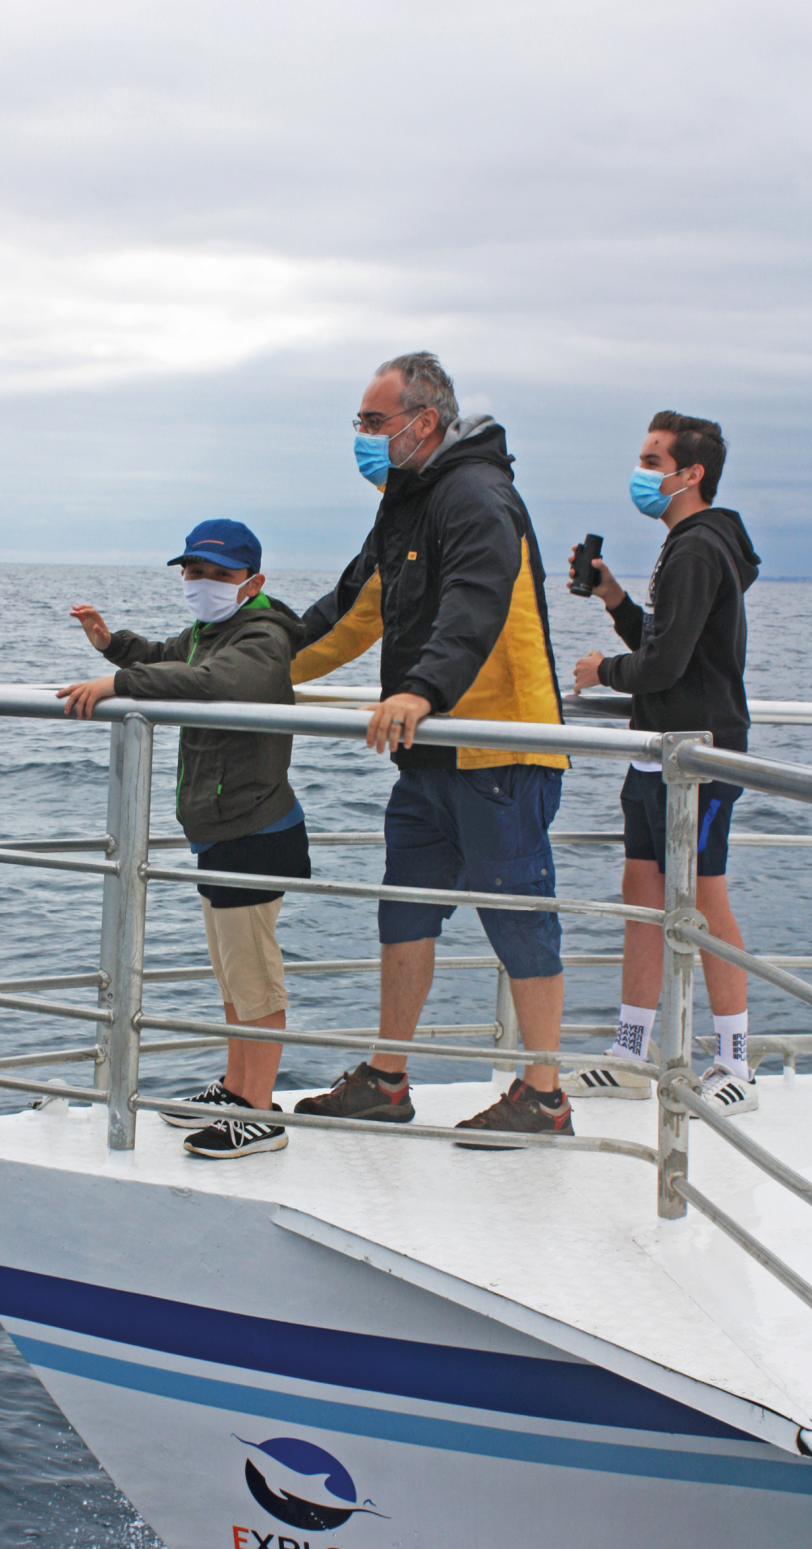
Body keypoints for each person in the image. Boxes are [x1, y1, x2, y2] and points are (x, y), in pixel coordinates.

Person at [292, 352, 573, 1138]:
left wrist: (421, 691)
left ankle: (545, 1096)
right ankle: (387, 1078)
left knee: (520, 919)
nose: (362, 437)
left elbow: (475, 603)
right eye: (359, 423)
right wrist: (248, 670)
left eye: (373, 423)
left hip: (501, 749)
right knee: (404, 908)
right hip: (432, 753)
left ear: (423, 422)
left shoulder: (477, 495)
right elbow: (350, 614)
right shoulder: (405, 504)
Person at [58, 518, 309, 1158]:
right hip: (222, 828)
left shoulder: (261, 638)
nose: (201, 583)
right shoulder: (209, 632)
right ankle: (235, 1087)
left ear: (253, 582)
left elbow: (211, 683)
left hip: (256, 828)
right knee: (232, 980)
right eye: (193, 571)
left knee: (256, 983)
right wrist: (113, 646)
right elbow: (169, 659)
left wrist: (119, 685)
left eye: (219, 575)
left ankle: (261, 1112)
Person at [566, 412, 761, 1114]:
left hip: (699, 756)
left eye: (654, 461)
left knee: (705, 897)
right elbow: (670, 640)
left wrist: (601, 668)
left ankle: (736, 1060)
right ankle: (628, 1050)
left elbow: (664, 662)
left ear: (691, 472)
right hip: (659, 754)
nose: (643, 473)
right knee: (642, 897)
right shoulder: (687, 546)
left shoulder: (698, 547)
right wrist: (614, 597)